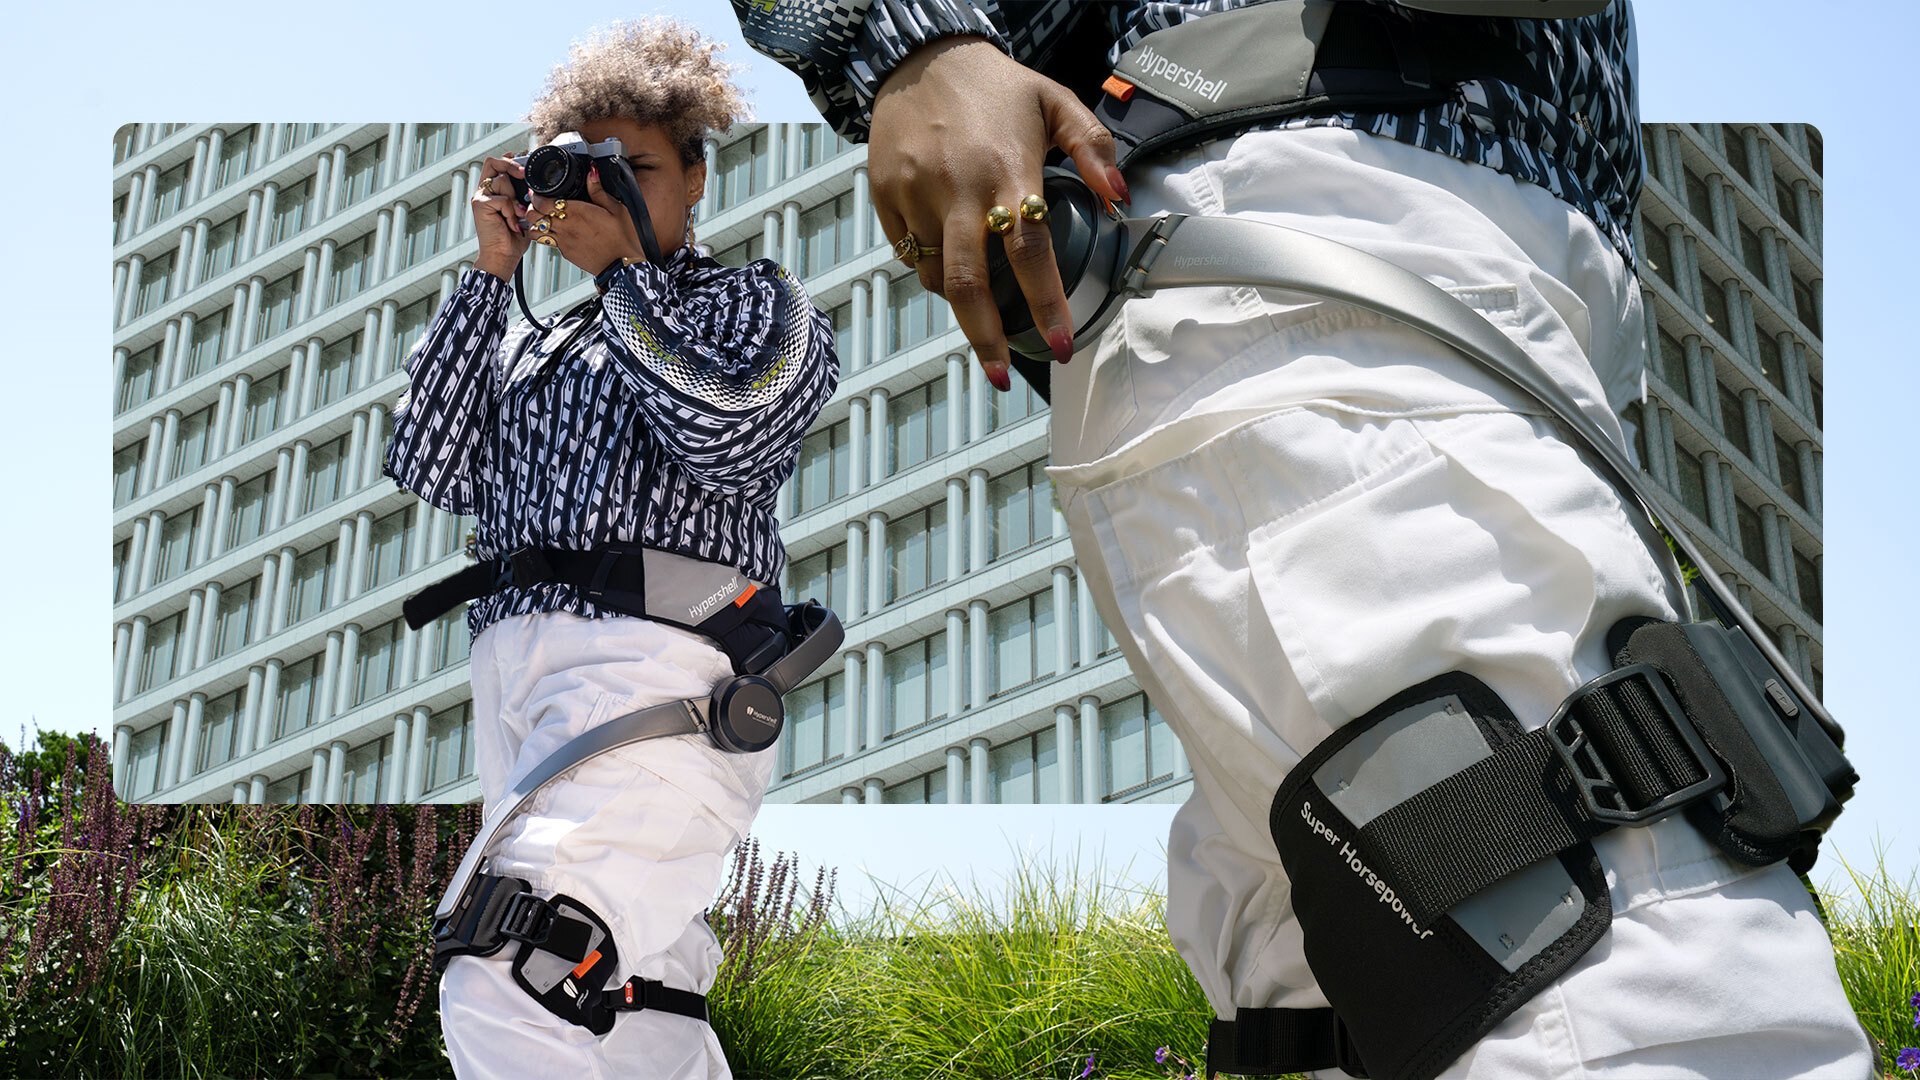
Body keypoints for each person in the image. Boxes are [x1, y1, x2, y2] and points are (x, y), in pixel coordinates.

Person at [734, 2, 1869, 1076]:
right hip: (1308, 227)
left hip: (1481, 278)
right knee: (1626, 955)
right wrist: (913, 47)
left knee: (1336, 1016)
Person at [379, 18, 838, 1079]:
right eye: (586, 170)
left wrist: (629, 279)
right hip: (517, 696)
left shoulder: (752, 304)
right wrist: (493, 275)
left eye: (635, 168)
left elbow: (727, 433)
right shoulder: (533, 344)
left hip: (663, 670)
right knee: (640, 1001)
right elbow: (429, 463)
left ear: (696, 180)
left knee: (513, 955)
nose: (611, 191)